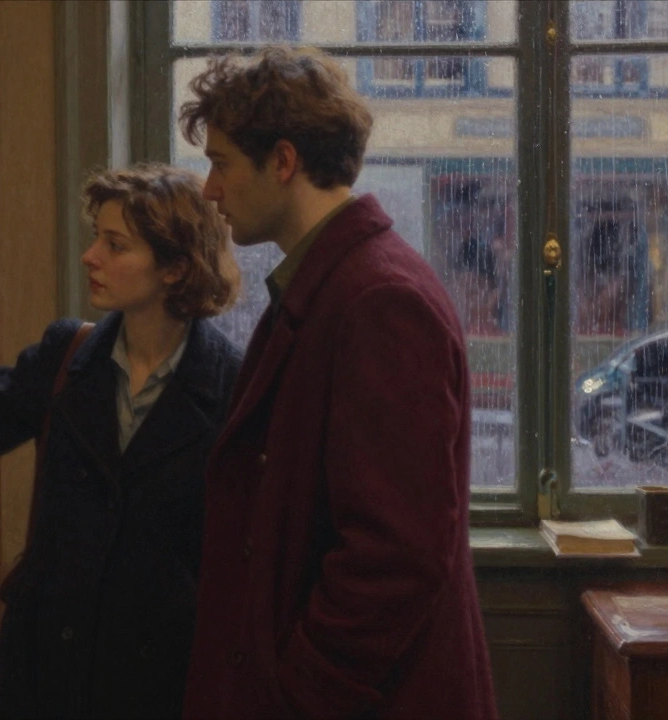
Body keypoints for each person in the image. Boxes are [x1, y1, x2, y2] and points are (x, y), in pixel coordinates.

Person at [0, 163, 243, 719]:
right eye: (95, 237)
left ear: (175, 267)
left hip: (162, 686)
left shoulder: (235, 388)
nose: (90, 256)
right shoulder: (69, 355)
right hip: (44, 675)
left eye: (114, 244)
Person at [177, 46, 497, 719]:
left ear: (284, 162)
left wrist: (304, 686)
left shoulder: (378, 299)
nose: (209, 189)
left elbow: (396, 552)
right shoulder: (335, 283)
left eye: (222, 163)